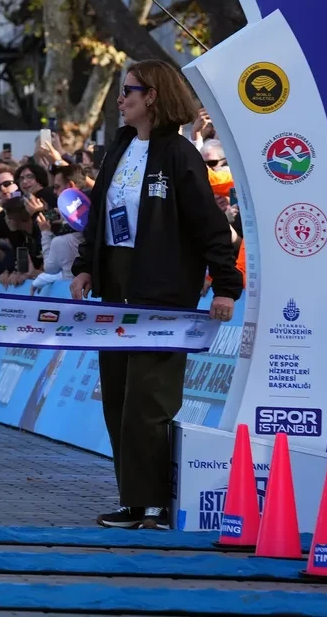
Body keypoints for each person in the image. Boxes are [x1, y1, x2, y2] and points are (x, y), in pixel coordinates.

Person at [70, 60, 242, 531]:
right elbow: (97, 217)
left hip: (163, 291)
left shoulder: (180, 153)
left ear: (152, 96)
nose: (121, 99)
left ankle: (156, 504)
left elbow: (211, 227)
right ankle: (133, 500)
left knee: (149, 400)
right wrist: (86, 265)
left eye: (128, 91)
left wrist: (225, 286)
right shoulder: (120, 147)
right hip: (117, 286)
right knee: (119, 398)